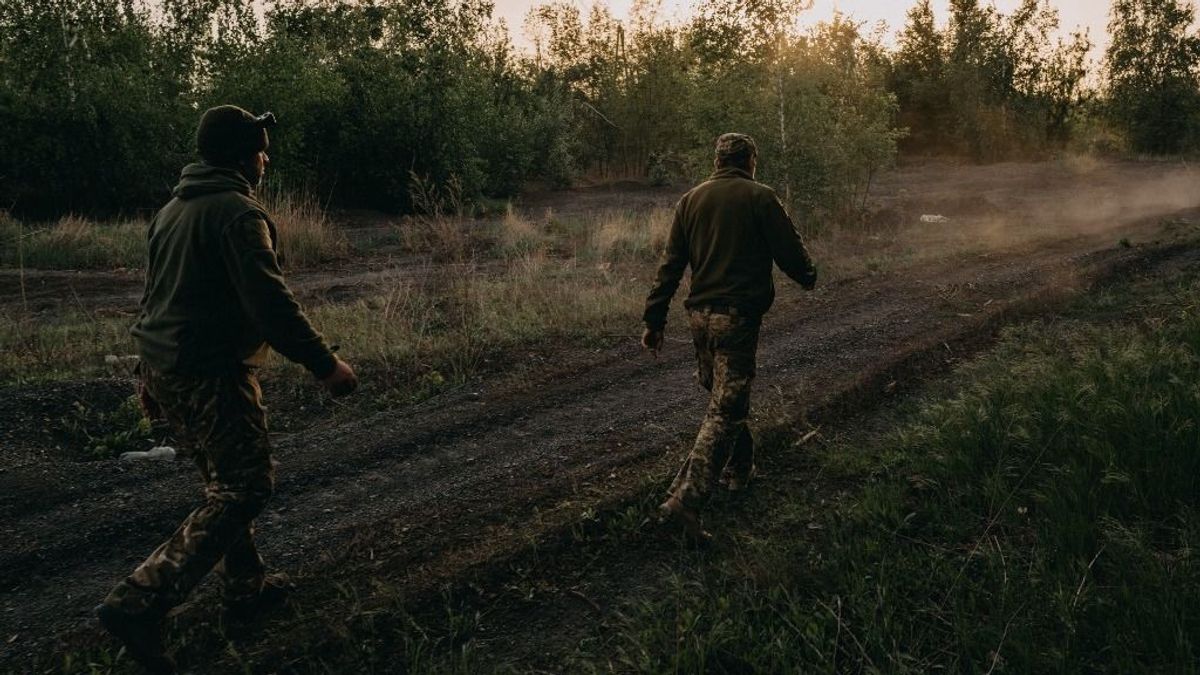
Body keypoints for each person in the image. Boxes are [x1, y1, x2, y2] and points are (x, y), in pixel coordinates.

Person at [95, 105, 358, 673]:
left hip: (169, 368)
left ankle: (246, 587)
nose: (266, 157)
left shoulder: (173, 209)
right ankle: (138, 601)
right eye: (261, 149)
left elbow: (155, 298)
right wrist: (325, 364)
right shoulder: (237, 215)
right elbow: (270, 305)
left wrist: (147, 374)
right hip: (209, 371)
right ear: (243, 157)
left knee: (222, 482)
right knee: (245, 488)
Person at [642, 132, 817, 542]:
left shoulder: (690, 200)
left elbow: (670, 265)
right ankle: (685, 500)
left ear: (717, 160)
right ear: (750, 160)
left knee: (723, 396)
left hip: (698, 319)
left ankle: (740, 469)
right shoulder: (760, 197)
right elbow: (789, 251)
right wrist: (808, 275)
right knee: (726, 410)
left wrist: (653, 320)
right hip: (735, 318)